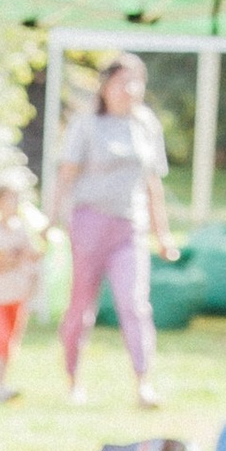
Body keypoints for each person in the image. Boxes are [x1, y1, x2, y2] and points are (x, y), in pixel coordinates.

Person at [51, 54, 176, 406]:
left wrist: (162, 234)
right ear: (106, 86)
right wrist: (51, 220)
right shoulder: (86, 124)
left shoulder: (146, 124)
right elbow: (66, 175)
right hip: (89, 224)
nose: (130, 89)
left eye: (137, 81)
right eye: (123, 82)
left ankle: (143, 383)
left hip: (130, 227)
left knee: (134, 304)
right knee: (81, 306)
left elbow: (152, 184)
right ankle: (73, 380)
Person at [0, 166, 48, 401]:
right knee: (1, 339)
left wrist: (42, 245)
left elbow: (32, 256)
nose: (14, 203)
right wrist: (11, 261)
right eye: (9, 199)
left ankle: (3, 384)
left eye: (16, 198)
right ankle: (0, 386)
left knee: (11, 342)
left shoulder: (21, 229)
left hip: (17, 294)